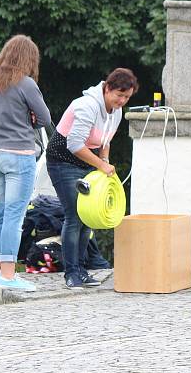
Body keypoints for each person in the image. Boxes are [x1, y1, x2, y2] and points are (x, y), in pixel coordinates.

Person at [46, 68, 138, 289]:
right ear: (107, 88)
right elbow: (75, 144)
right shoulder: (86, 106)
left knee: (88, 216)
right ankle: (71, 273)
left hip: (87, 162)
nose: (122, 100)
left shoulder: (116, 112)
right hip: (62, 160)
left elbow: (105, 141)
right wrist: (101, 165)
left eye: (127, 97)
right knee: (75, 215)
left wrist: (104, 163)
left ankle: (82, 271)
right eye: (119, 94)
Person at [0, 35, 51, 292]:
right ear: (28, 58)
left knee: (1, 215)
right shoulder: (26, 84)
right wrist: (30, 119)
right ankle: (9, 275)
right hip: (19, 154)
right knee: (15, 215)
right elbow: (44, 118)